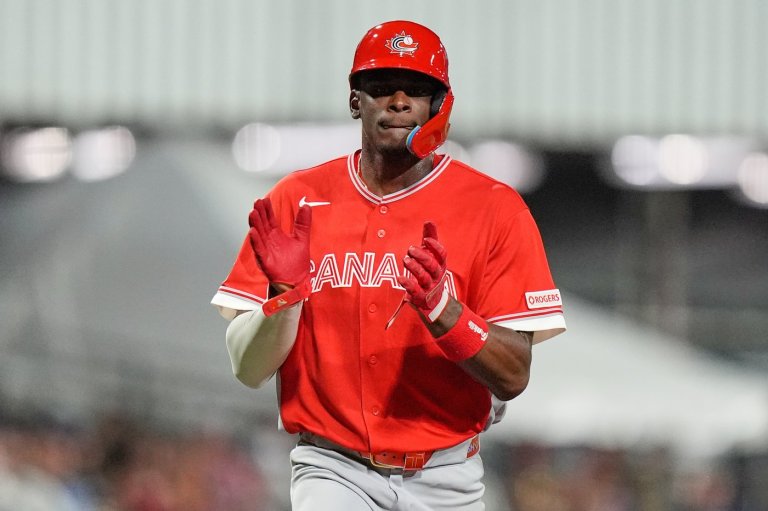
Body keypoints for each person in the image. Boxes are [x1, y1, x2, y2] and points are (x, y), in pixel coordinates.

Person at [211, 20, 566, 511]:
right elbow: (247, 369)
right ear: (356, 99)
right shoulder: (296, 200)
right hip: (333, 468)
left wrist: (447, 311)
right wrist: (284, 300)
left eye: (417, 89)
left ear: (439, 103)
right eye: (381, 87)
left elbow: (513, 377)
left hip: (448, 476)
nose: (399, 101)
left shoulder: (494, 208)